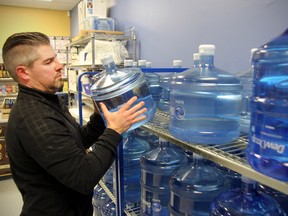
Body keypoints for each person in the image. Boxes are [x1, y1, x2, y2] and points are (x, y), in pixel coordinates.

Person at [2, 32, 147, 216]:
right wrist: (115, 130)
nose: (59, 65)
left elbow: (79, 140)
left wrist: (99, 115)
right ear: (23, 73)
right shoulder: (35, 118)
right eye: (48, 62)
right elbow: (84, 176)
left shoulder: (48, 101)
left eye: (56, 58)